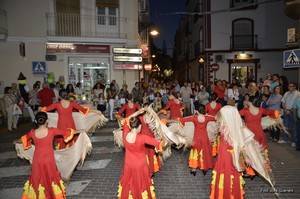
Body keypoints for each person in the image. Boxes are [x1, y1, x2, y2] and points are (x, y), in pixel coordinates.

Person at [20, 112, 74, 199]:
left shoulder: (32, 132)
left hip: (37, 160)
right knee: (51, 177)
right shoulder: (52, 131)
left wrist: (18, 142)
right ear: (47, 121)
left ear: (36, 122)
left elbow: (24, 139)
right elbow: (67, 132)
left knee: (37, 178)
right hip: (49, 160)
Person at [117, 116, 163, 199]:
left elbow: (125, 122)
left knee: (129, 183)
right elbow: (158, 143)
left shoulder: (125, 133)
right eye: (140, 126)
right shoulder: (142, 138)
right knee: (141, 184)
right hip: (140, 166)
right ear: (139, 126)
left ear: (131, 126)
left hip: (128, 164)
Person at [180, 105, 215, 175]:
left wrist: (182, 124)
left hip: (196, 138)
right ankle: (204, 168)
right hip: (205, 138)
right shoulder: (207, 118)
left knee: (195, 153)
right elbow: (215, 118)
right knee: (204, 153)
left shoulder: (194, 118)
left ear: (197, 111)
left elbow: (183, 120)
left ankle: (194, 169)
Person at [281, 82, 300, 147]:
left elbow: (297, 105)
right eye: (289, 86)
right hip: (286, 111)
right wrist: (286, 109)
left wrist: (290, 110)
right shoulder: (286, 93)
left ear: (295, 87)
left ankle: (294, 141)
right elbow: (283, 102)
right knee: (285, 125)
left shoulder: (298, 94)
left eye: (291, 86)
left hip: (293, 112)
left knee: (293, 127)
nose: (290, 87)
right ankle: (285, 139)